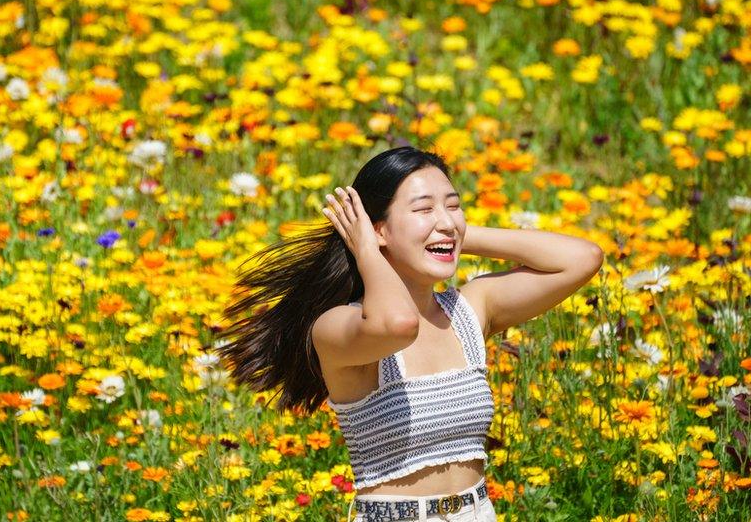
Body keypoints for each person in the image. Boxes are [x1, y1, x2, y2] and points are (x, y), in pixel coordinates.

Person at [216, 146, 604, 521]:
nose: (447, 218)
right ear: (376, 229)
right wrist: (369, 248)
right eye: (423, 209)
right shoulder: (337, 326)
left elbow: (582, 259)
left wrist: (450, 233)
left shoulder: (468, 311)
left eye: (453, 205)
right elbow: (399, 325)